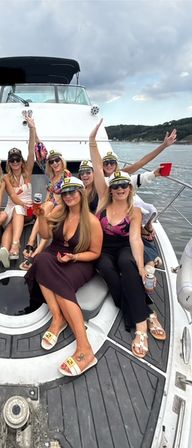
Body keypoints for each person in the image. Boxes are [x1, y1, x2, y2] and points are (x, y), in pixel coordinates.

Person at [89, 119, 166, 359]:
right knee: (103, 266)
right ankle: (148, 312)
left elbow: (135, 240)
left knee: (127, 264)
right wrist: (92, 141)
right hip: (104, 247)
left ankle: (140, 328)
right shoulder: (103, 198)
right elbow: (96, 163)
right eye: (117, 186)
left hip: (122, 245)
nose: (120, 189)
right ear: (111, 189)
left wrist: (142, 266)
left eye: (124, 186)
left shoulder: (134, 211)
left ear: (129, 189)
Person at [25, 177, 103, 376]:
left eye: (72, 191)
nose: (68, 196)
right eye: (65, 192)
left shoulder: (92, 221)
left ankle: (85, 348)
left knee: (60, 286)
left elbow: (95, 253)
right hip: (56, 254)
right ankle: (58, 317)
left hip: (81, 261)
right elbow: (45, 235)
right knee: (41, 259)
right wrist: (42, 216)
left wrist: (74, 256)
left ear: (81, 193)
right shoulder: (60, 211)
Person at [20, 149, 72, 271]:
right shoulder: (52, 177)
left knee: (46, 216)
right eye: (52, 161)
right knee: (43, 211)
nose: (55, 163)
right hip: (52, 205)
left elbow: (68, 194)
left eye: (57, 160)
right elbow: (48, 196)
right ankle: (31, 244)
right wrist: (41, 207)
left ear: (62, 161)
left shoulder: (66, 174)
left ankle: (34, 250)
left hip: (63, 206)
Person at [0, 114, 35, 267]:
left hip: (27, 211)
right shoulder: (6, 177)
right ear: (9, 162)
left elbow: (31, 151)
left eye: (17, 159)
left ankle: (14, 245)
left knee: (19, 211)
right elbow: (13, 197)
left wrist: (32, 129)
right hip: (14, 208)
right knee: (12, 220)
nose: (15, 162)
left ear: (21, 161)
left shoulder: (27, 173)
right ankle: (7, 251)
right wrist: (24, 205)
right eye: (12, 160)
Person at [101, 127, 177, 177]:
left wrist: (163, 146)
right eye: (106, 163)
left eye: (112, 162)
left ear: (116, 164)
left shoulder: (122, 173)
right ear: (101, 165)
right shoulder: (96, 175)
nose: (109, 165)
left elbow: (142, 162)